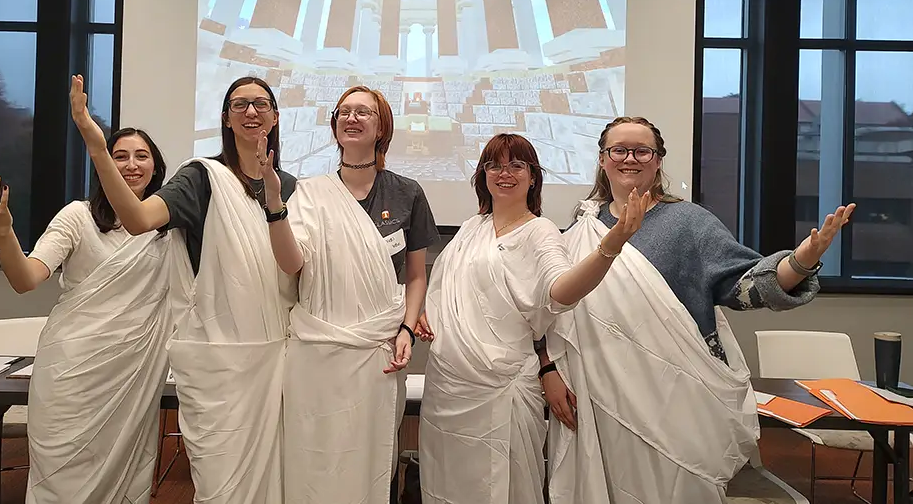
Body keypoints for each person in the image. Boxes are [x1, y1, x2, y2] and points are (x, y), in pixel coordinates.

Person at [539, 116, 856, 504]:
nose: (630, 159)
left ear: (658, 160)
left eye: (642, 150)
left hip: (676, 394)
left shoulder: (688, 222)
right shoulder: (582, 225)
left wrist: (803, 259)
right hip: (598, 390)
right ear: (603, 159)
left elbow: (744, 287)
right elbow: (555, 308)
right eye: (618, 150)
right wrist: (548, 368)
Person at [70, 75, 297, 504]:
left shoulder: (292, 187)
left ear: (275, 115)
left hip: (279, 360)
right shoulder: (201, 178)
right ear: (226, 118)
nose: (251, 112)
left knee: (280, 481)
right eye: (239, 105)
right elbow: (138, 219)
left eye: (260, 103)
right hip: (219, 361)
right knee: (222, 483)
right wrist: (98, 147)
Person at [414, 133, 650, 504]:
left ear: (533, 176)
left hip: (501, 386)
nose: (504, 173)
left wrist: (613, 244)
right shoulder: (471, 229)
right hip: (447, 386)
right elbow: (446, 286)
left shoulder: (540, 231)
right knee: (445, 484)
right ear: (482, 175)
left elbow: (560, 292)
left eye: (516, 165)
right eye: (494, 165)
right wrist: (430, 311)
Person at [0, 127, 171, 504]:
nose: (131, 165)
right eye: (120, 155)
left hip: (134, 373)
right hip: (72, 369)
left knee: (126, 473)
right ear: (103, 164)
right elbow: (25, 278)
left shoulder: (167, 228)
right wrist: (2, 228)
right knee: (62, 476)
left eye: (141, 156)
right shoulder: (79, 216)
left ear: (156, 167)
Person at [262, 85, 439, 504]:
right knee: (314, 453)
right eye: (344, 112)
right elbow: (291, 264)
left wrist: (407, 331)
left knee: (371, 453)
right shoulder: (308, 192)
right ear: (335, 126)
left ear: (382, 127)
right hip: (317, 351)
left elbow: (416, 277)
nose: (352, 118)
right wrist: (274, 204)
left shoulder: (407, 193)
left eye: (364, 112)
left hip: (377, 350)